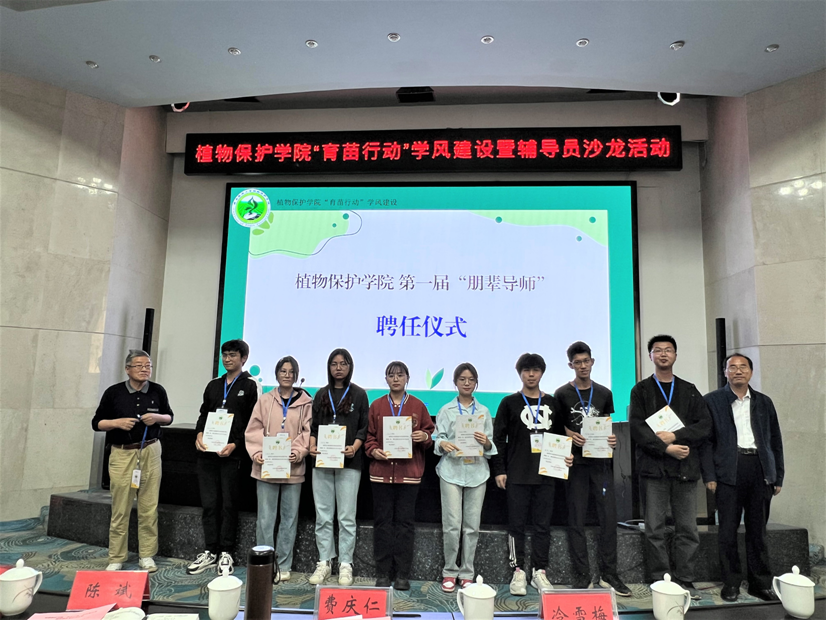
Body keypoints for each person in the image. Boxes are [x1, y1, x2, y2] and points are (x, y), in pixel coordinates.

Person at [629, 335, 711, 598]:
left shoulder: (689, 389)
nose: (663, 354)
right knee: (654, 528)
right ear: (650, 356)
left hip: (685, 468)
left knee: (687, 528)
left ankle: (685, 578)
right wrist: (664, 448)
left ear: (675, 355)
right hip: (654, 469)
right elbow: (637, 428)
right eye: (657, 350)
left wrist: (676, 437)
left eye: (668, 350)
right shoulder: (641, 390)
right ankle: (660, 578)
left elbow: (704, 425)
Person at [701, 353, 784, 602]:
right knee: (727, 531)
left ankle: (760, 583)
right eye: (732, 367)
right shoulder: (712, 401)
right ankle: (731, 583)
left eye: (743, 367)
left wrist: (777, 475)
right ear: (725, 372)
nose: (738, 371)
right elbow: (706, 442)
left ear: (751, 372)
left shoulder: (764, 402)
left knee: (758, 531)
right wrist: (710, 475)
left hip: (760, 469)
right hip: (728, 470)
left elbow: (775, 440)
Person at [491, 353, 572, 596]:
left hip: (547, 474)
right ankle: (518, 571)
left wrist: (567, 456)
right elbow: (498, 440)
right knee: (516, 526)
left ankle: (540, 571)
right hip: (517, 474)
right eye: (526, 370)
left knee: (542, 526)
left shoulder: (553, 403)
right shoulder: (509, 403)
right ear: (520, 373)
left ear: (542, 373)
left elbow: (562, 437)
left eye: (535, 370)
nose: (531, 374)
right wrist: (499, 470)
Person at [555, 341, 631, 596]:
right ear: (571, 365)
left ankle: (610, 574)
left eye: (586, 361)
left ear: (592, 362)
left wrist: (612, 439)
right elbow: (556, 429)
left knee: (608, 518)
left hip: (601, 464)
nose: (583, 366)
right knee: (575, 519)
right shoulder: (562, 394)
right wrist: (569, 434)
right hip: (575, 465)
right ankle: (582, 575)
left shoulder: (604, 393)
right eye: (577, 362)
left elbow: (606, 425)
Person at [91, 350, 174, 572]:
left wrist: (157, 418)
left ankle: (147, 555)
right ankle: (116, 557)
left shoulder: (157, 390)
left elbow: (169, 417)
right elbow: (96, 423)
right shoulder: (114, 392)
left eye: (148, 366)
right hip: (122, 453)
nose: (145, 369)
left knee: (149, 508)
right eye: (139, 366)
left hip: (150, 451)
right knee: (120, 509)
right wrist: (116, 423)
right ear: (127, 369)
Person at [187, 340, 259, 575]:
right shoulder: (214, 385)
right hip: (207, 454)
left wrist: (235, 444)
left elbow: (252, 422)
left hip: (232, 455)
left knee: (229, 505)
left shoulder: (251, 386)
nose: (227, 359)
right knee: (209, 505)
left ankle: (226, 551)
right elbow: (203, 414)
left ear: (243, 358)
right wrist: (199, 434)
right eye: (225, 355)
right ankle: (210, 550)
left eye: (233, 355)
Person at [365, 361, 435, 591]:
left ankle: (403, 574)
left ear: (407, 378)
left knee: (405, 524)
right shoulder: (376, 405)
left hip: (409, 474)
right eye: (391, 375)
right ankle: (383, 572)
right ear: (385, 379)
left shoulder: (418, 405)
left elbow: (429, 433)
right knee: (382, 523)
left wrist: (424, 437)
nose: (396, 379)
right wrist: (374, 450)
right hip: (381, 474)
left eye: (400, 375)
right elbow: (369, 437)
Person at [245, 355, 312, 581]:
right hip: (266, 468)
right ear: (276, 374)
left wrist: (299, 451)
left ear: (296, 375)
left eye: (291, 372)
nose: (287, 375)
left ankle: (283, 565)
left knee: (289, 519)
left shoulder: (306, 402)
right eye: (283, 371)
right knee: (265, 519)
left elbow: (308, 431)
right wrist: (257, 452)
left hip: (293, 469)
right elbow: (253, 429)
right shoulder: (264, 400)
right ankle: (265, 563)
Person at [307, 348, 369, 586]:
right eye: (334, 363)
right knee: (323, 516)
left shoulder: (359, 394)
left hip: (350, 462)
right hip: (322, 461)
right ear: (329, 367)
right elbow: (314, 427)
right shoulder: (321, 394)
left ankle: (345, 563)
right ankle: (324, 562)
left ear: (350, 366)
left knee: (346, 517)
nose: (339, 368)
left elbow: (363, 428)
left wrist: (355, 447)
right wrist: (312, 445)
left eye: (343, 363)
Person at [433, 363, 497, 593]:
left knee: (472, 527)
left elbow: (490, 444)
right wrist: (443, 443)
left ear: (476, 383)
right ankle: (450, 571)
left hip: (477, 472)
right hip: (451, 471)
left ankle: (467, 573)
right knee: (452, 525)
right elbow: (437, 437)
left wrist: (486, 442)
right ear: (455, 382)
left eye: (471, 379)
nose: (467, 383)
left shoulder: (484, 411)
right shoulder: (446, 410)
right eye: (462, 379)